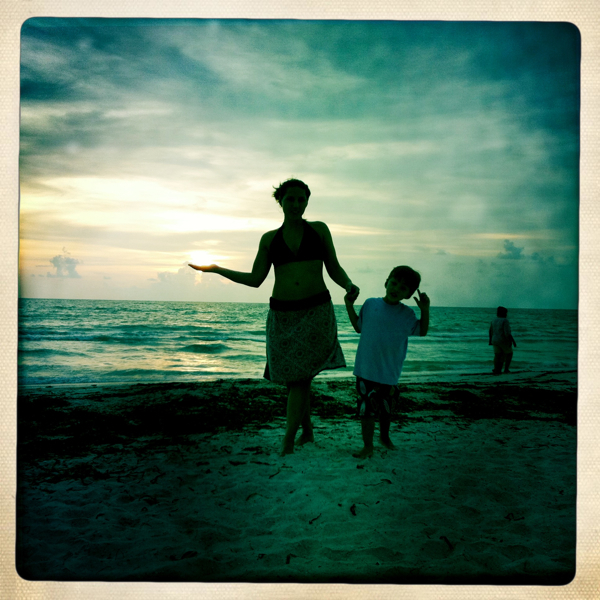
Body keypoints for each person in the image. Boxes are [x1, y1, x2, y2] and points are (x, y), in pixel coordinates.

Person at [189, 178, 358, 456]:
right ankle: (307, 431)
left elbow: (334, 267)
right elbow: (255, 279)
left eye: (302, 199)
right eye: (290, 199)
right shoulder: (269, 239)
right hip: (283, 315)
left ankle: (288, 441)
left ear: (307, 201)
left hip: (316, 311)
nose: (296, 204)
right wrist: (217, 269)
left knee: (301, 379)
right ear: (280, 201)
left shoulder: (319, 230)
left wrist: (349, 285)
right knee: (296, 378)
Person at [344, 265, 430, 459]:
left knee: (386, 409)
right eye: (394, 283)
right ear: (386, 282)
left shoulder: (407, 314)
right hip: (366, 370)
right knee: (366, 411)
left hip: (389, 372)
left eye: (403, 288)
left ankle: (384, 437)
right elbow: (359, 327)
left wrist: (425, 310)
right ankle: (368, 446)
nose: (396, 289)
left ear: (408, 295)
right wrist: (349, 305)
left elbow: (422, 331)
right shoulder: (370, 304)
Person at [489, 306, 517, 375]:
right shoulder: (505, 320)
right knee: (509, 354)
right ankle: (506, 369)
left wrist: (490, 340)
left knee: (497, 355)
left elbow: (490, 331)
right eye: (506, 313)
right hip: (503, 340)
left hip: (494, 340)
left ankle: (496, 369)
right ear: (503, 313)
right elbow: (507, 333)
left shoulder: (493, 320)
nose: (506, 314)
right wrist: (512, 341)